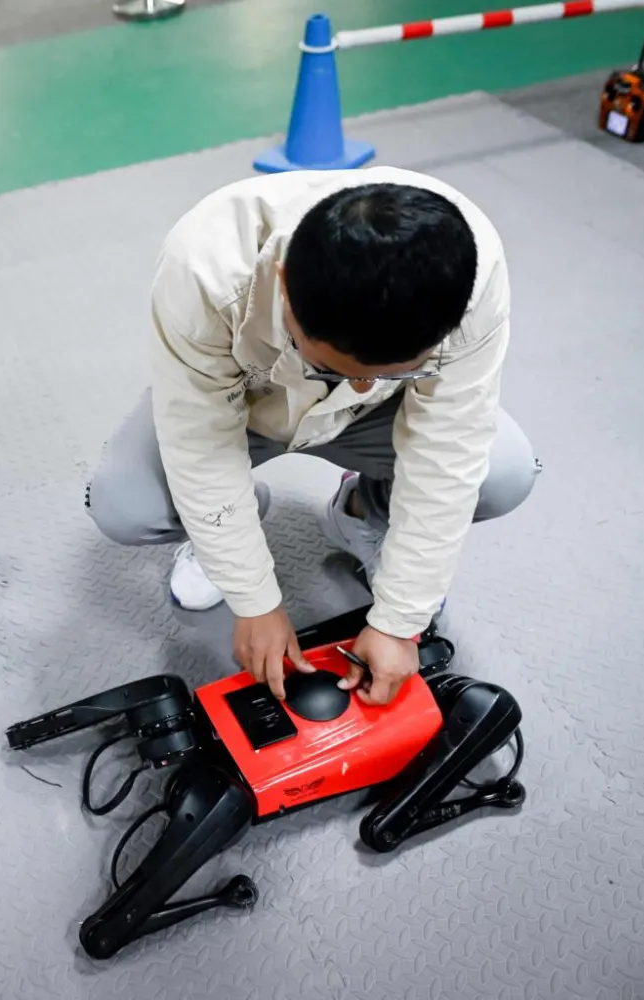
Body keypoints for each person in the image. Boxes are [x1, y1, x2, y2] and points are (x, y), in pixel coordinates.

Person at [84, 166, 541, 707]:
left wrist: (399, 620)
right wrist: (252, 597)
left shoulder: (469, 275)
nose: (362, 384)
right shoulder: (204, 265)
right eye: (330, 366)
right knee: (123, 505)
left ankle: (364, 511)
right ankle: (229, 526)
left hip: (373, 423)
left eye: (393, 370)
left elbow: (449, 447)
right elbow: (200, 444)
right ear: (283, 284)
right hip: (245, 412)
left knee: (503, 472)